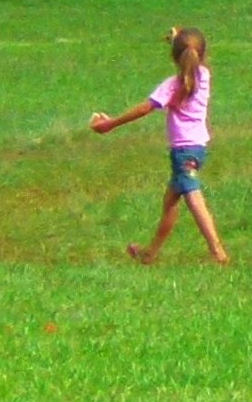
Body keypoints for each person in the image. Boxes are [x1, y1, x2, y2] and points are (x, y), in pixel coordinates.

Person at [91, 26, 230, 266]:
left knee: (192, 194)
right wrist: (177, 40)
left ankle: (217, 251)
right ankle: (150, 253)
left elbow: (146, 108)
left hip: (183, 152)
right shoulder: (204, 76)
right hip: (198, 147)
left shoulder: (173, 86)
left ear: (174, 57)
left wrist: (111, 123)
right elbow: (190, 54)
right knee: (170, 203)